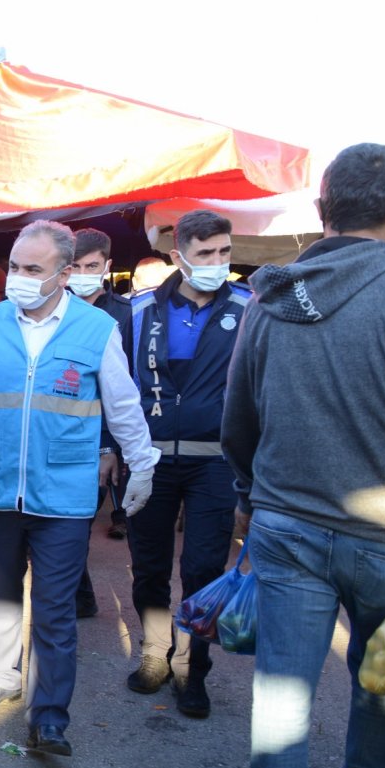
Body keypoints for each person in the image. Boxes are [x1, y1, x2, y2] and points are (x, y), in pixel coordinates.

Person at [223, 142, 385, 768]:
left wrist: (253, 493)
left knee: (282, 689)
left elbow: (238, 419)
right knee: (384, 676)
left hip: (285, 524)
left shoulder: (272, 296)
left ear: (323, 209)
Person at [0, 221, 159, 757]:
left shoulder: (96, 329)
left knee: (54, 608)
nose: (19, 278)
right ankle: (2, 676)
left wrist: (141, 464)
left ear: (64, 274)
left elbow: (123, 406)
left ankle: (48, 717)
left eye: (33, 269)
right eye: (15, 267)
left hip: (63, 493)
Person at [122, 210, 250, 719]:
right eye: (205, 253)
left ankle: (191, 669)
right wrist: (113, 449)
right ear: (179, 256)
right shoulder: (139, 310)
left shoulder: (248, 308)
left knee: (202, 569)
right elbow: (117, 386)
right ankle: (155, 652)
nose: (218, 262)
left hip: (215, 462)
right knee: (149, 564)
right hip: (149, 458)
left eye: (224, 252)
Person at [68, 228, 135, 612]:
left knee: (85, 519)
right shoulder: (55, 310)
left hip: (113, 438)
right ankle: (79, 598)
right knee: (70, 523)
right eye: (75, 266)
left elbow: (126, 389)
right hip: (69, 432)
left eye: (91, 266)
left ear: (107, 266)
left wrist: (111, 445)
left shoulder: (127, 314)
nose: (82, 274)